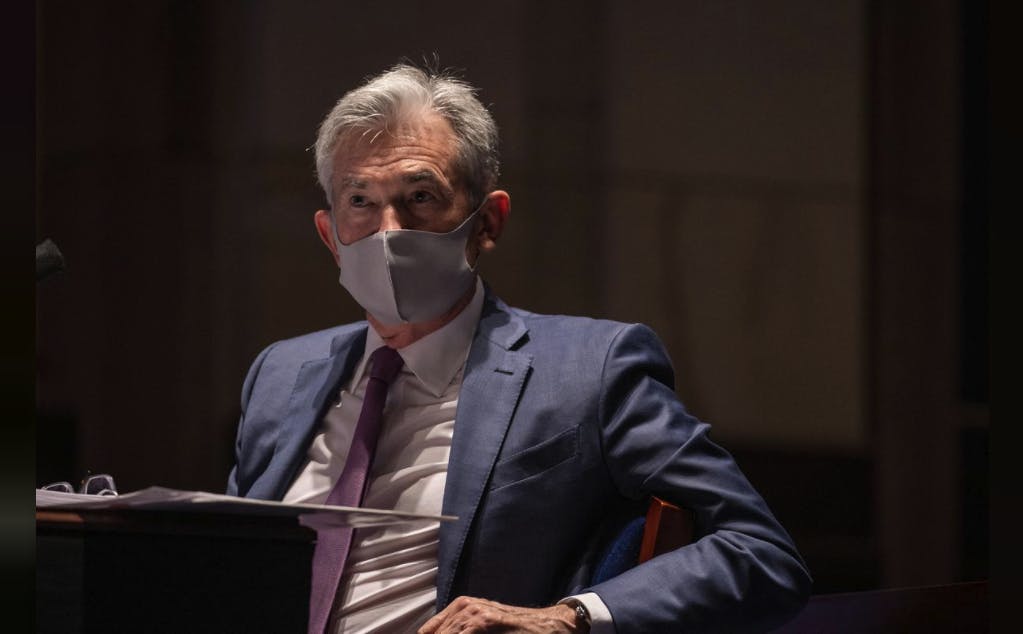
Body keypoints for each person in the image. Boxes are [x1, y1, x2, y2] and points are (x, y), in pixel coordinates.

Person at [227, 62, 811, 633]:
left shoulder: (590, 368)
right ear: (330, 235)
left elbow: (760, 552)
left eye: (421, 197)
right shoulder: (281, 373)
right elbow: (226, 569)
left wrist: (569, 617)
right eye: (360, 201)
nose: (388, 231)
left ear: (488, 222)